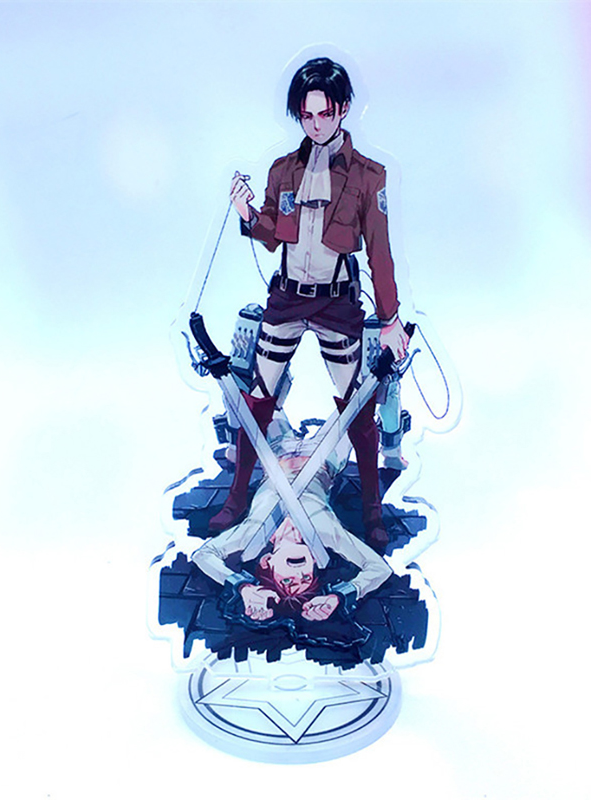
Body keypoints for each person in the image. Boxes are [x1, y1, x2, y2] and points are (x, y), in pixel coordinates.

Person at [209, 57, 409, 553]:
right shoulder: (283, 170)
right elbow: (271, 235)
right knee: (257, 401)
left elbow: (379, 250)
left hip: (337, 304)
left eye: (324, 114)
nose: (315, 124)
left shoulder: (368, 176)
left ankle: (371, 507)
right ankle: (236, 496)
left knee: (356, 407)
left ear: (342, 109)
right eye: (306, 115)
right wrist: (247, 213)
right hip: (286, 299)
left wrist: (390, 319)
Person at [193, 425, 392, 621]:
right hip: (326, 456)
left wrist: (242, 587)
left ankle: (232, 439)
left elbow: (203, 555)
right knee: (357, 409)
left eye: (287, 581)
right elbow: (380, 569)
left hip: (277, 452)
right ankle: (392, 440)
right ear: (314, 560)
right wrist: (339, 596)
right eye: (306, 578)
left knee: (256, 406)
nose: (299, 575)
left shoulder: (254, 533)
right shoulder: (326, 532)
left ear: (267, 561)